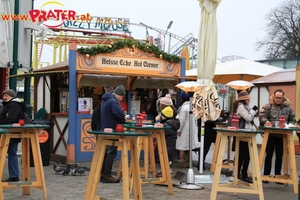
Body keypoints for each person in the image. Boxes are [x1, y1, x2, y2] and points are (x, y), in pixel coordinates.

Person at [259, 89, 296, 184]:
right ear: (273, 97)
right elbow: (262, 116)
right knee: (269, 155)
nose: (278, 99)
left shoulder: (288, 108)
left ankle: (278, 176)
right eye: (276, 97)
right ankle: (266, 176)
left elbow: (293, 119)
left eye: (280, 98)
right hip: (270, 134)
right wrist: (266, 121)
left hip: (282, 135)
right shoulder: (268, 106)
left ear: (283, 97)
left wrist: (289, 125)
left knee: (280, 156)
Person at [100, 85, 126, 183]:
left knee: (105, 152)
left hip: (105, 129)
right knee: (111, 152)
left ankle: (102, 173)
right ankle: (107, 174)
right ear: (119, 95)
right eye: (122, 97)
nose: (122, 99)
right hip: (112, 129)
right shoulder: (113, 101)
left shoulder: (105, 100)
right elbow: (119, 114)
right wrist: (123, 117)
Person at [231, 90, 258, 183]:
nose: (249, 100)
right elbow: (248, 118)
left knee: (246, 155)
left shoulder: (244, 106)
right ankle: (239, 175)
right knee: (242, 155)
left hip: (246, 132)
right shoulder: (241, 106)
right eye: (248, 99)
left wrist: (251, 111)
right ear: (244, 99)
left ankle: (243, 174)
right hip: (242, 133)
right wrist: (254, 111)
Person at [0, 89, 26, 182]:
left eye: (6, 95)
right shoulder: (12, 104)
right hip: (11, 132)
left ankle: (14, 175)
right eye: (4, 95)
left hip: (11, 132)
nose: (4, 97)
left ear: (11, 96)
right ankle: (14, 175)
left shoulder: (14, 105)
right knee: (12, 153)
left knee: (11, 153)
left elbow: (11, 118)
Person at [176, 92, 201, 168]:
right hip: (192, 128)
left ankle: (187, 162)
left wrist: (179, 130)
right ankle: (186, 161)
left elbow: (181, 120)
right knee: (188, 146)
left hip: (185, 129)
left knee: (186, 146)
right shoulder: (193, 106)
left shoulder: (184, 107)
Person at [157, 106, 180, 174]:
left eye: (162, 115)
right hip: (171, 142)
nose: (161, 116)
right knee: (168, 156)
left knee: (164, 155)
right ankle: (168, 168)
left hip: (166, 142)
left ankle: (165, 169)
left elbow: (163, 133)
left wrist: (158, 121)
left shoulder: (167, 124)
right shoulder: (173, 123)